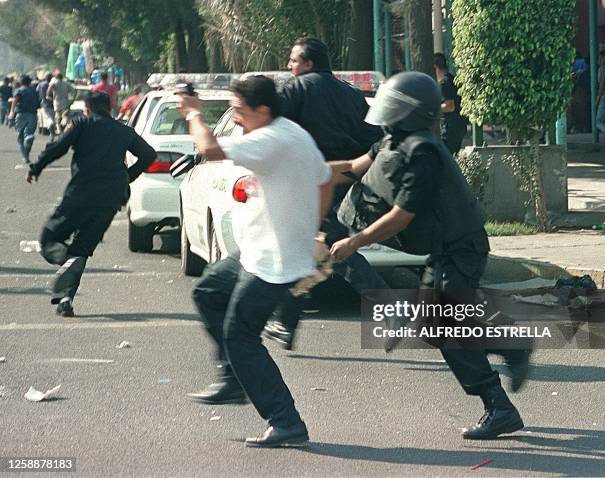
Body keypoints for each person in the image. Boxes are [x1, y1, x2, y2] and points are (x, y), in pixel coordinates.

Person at [330, 71, 531, 440]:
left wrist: (354, 242)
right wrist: (309, 170)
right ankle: (513, 347)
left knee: (446, 328)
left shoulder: (424, 153)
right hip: (445, 248)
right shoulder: (393, 140)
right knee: (435, 327)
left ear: (414, 113)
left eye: (395, 107)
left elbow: (400, 216)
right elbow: (355, 167)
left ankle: (499, 407)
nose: (387, 112)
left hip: (462, 248)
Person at [179, 76, 333, 447]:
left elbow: (210, 149)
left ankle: (286, 422)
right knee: (208, 293)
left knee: (240, 335)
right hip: (255, 249)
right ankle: (234, 380)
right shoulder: (290, 132)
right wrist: (310, 227)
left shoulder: (271, 139)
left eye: (238, 110)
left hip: (274, 260)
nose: (234, 117)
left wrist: (193, 113)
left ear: (263, 110)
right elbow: (325, 180)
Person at [263, 37, 387, 350]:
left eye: (293, 60)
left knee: (331, 250)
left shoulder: (293, 90)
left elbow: (272, 131)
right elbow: (374, 137)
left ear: (308, 63)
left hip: (311, 183)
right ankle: (285, 324)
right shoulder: (352, 95)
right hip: (346, 180)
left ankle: (392, 310)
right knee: (308, 251)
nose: (289, 66)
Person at [26, 92, 157, 317]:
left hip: (81, 194)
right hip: (111, 198)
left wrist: (36, 167)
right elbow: (148, 154)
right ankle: (65, 299)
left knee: (49, 239)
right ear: (110, 107)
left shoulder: (82, 125)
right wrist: (126, 176)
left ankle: (67, 261)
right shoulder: (123, 130)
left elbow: (58, 147)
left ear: (87, 108)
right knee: (82, 248)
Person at [433, 52, 467, 156]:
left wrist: (432, 108)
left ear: (435, 67)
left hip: (450, 128)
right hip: (458, 126)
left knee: (444, 157)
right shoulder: (452, 79)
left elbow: (449, 106)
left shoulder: (444, 83)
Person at [8, 74, 38, 163]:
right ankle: (27, 148)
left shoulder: (19, 90)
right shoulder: (34, 90)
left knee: (20, 136)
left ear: (21, 82)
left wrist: (11, 112)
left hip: (21, 114)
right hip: (32, 114)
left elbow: (15, 100)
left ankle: (25, 156)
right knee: (28, 133)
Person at [37, 73, 56, 140]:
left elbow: (37, 91)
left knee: (48, 117)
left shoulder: (41, 84)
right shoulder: (53, 84)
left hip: (44, 103)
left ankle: (51, 126)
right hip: (54, 103)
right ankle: (53, 126)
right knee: (53, 116)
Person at [596, 50, 605, 136]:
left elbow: (602, 84)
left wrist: (598, 98)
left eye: (601, 58)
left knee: (598, 122)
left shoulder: (602, 69)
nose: (599, 60)